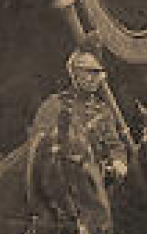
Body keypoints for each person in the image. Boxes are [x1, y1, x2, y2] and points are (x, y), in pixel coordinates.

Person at [30, 48, 128, 186]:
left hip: (99, 181)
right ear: (74, 75)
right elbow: (39, 145)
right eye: (89, 72)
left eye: (98, 73)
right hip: (63, 181)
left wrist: (118, 162)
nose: (95, 78)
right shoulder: (54, 105)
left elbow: (115, 145)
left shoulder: (103, 110)